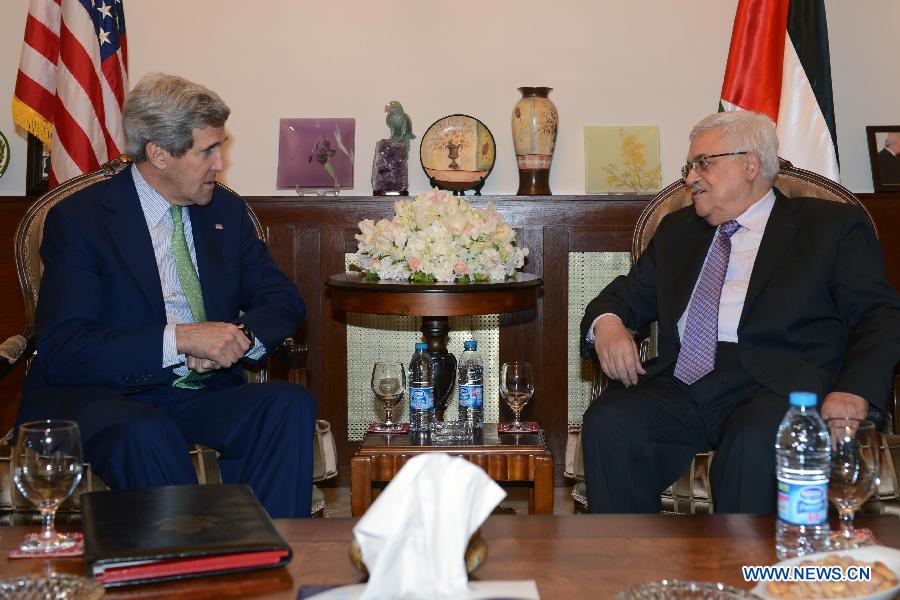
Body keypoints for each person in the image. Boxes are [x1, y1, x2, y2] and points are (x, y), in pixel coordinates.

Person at [17, 73, 316, 518]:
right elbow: (65, 348)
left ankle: (270, 559)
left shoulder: (225, 213)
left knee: (287, 404)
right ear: (158, 153)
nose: (220, 163)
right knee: (145, 431)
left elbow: (282, 300)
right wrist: (180, 339)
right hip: (105, 395)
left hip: (198, 391)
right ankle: (186, 570)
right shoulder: (81, 221)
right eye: (207, 150)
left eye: (221, 146)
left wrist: (237, 339)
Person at [580, 110, 900, 514]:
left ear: (750, 164)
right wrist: (606, 323)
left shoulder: (829, 226)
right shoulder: (679, 230)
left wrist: (853, 389)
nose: (690, 178)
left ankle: (747, 575)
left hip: (778, 384)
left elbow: (879, 315)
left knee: (754, 442)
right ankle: (629, 567)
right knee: (610, 422)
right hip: (685, 380)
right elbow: (623, 295)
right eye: (689, 166)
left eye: (703, 164)